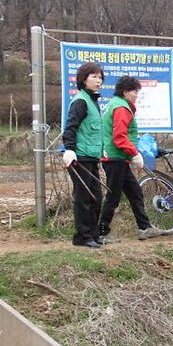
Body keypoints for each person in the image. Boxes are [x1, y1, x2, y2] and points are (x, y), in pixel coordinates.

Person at [99, 76, 162, 241]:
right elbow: (119, 137)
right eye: (135, 91)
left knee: (135, 192)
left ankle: (145, 227)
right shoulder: (121, 108)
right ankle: (101, 232)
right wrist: (134, 153)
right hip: (115, 159)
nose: (136, 95)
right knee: (113, 196)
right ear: (125, 92)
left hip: (119, 158)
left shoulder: (117, 105)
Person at [62, 62, 105, 248]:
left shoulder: (93, 101)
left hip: (91, 156)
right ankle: (82, 236)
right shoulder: (81, 101)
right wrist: (69, 149)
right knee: (84, 197)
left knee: (96, 196)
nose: (98, 80)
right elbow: (70, 127)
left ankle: (94, 235)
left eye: (100, 77)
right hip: (80, 157)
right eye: (94, 77)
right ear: (83, 79)